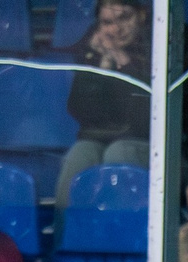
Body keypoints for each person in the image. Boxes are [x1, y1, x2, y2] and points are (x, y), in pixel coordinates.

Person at [58, 0, 151, 212]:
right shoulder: (93, 53)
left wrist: (122, 59)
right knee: (79, 155)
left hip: (160, 149)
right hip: (103, 141)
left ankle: (126, 240)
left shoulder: (167, 45)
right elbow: (78, 110)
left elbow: (146, 117)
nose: (116, 29)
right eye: (107, 22)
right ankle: (66, 241)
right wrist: (103, 66)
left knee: (119, 154)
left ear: (142, 15)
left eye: (124, 18)